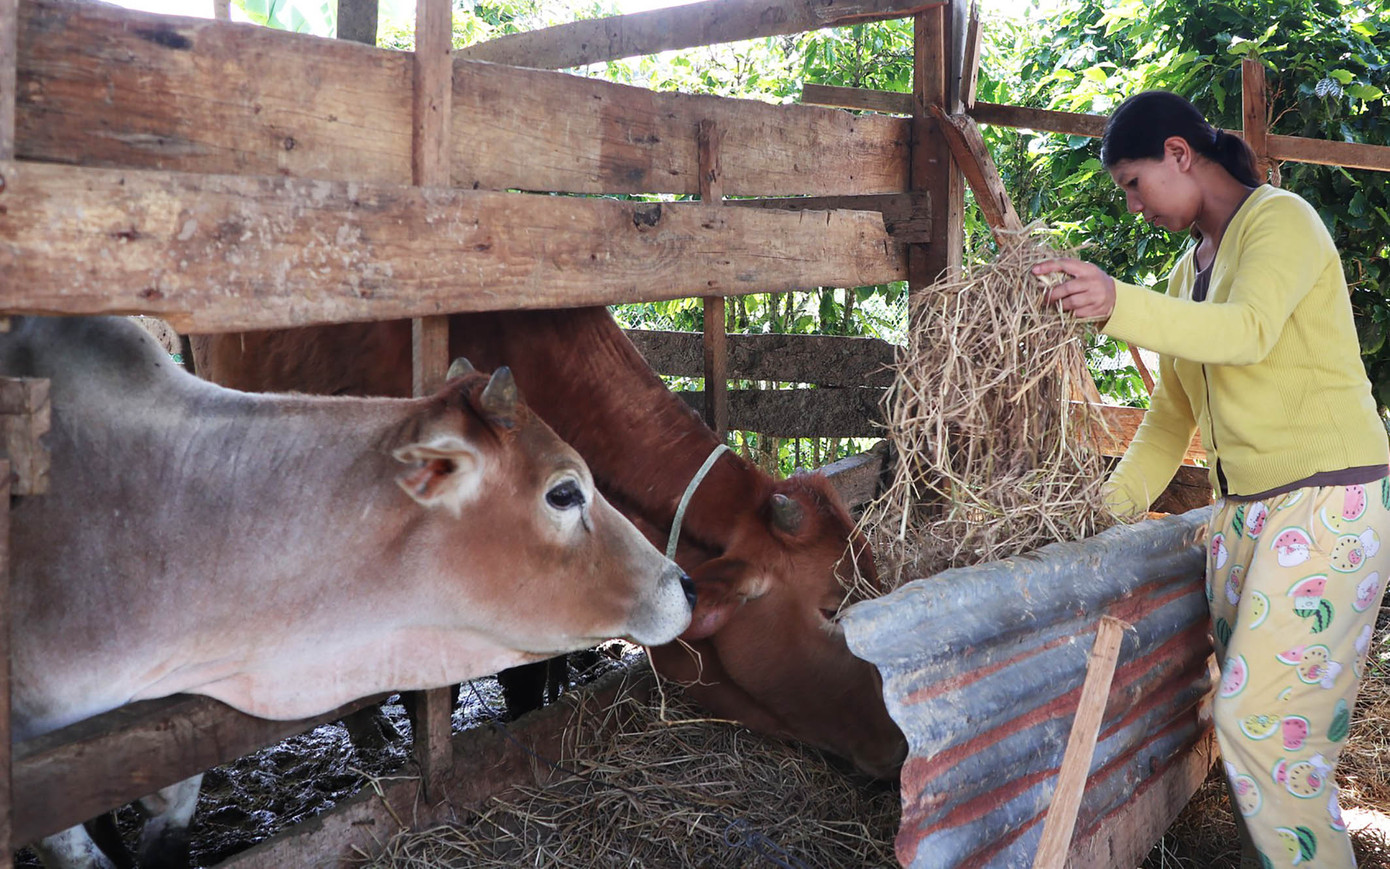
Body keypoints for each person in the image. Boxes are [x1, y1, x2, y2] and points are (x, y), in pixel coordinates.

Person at [1033, 89, 1389, 868]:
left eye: (1133, 182)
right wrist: (1089, 515)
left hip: (1328, 499)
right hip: (1244, 515)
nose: (1132, 205)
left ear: (1179, 154)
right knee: (1271, 744)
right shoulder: (1183, 269)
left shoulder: (1281, 221)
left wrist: (1118, 303)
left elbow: (1249, 331)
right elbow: (1169, 420)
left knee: (1257, 720)